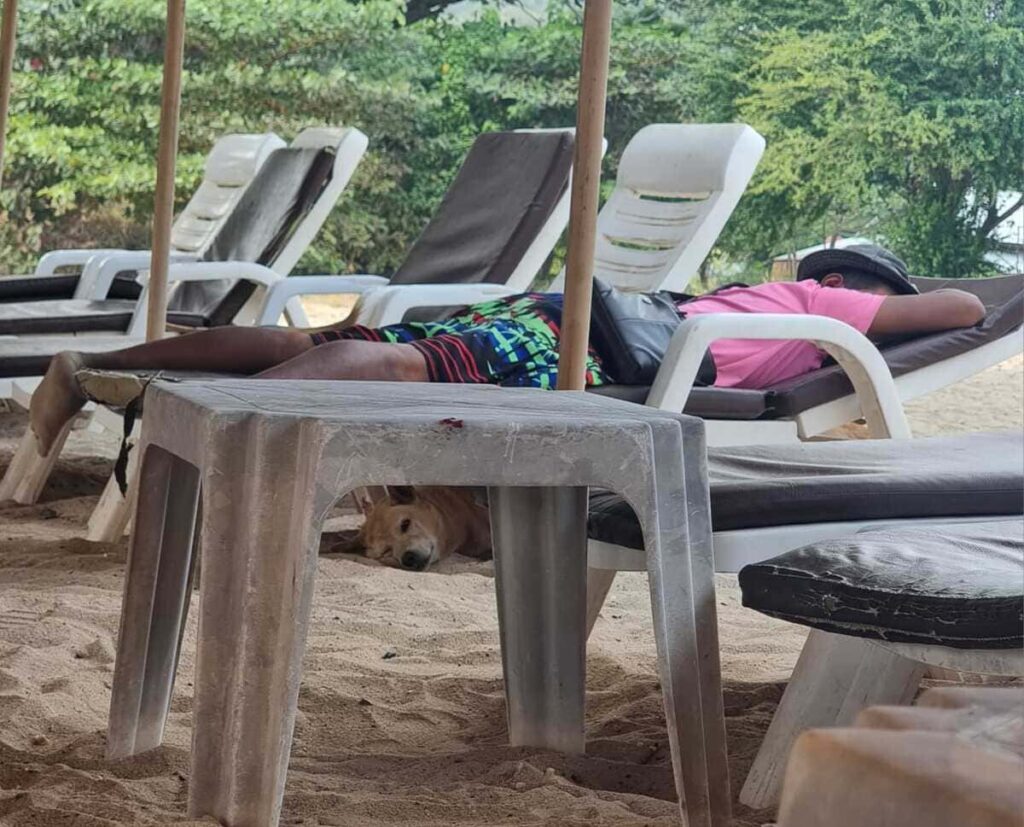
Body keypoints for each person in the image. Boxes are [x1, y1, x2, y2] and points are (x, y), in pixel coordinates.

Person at [28, 243, 985, 454]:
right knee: (410, 368)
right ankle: (214, 418)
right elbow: (960, 307)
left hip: (553, 309)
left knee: (338, 337)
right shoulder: (827, 304)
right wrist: (895, 295)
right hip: (574, 341)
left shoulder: (748, 291)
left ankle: (102, 368)